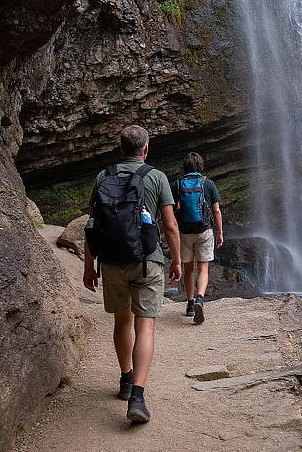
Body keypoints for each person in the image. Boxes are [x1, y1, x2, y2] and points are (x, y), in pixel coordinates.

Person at [83, 125, 181, 423]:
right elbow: (170, 226)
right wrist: (176, 261)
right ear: (146, 148)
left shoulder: (103, 176)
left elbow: (92, 225)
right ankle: (137, 396)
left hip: (112, 261)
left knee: (122, 320)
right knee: (146, 326)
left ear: (119, 147)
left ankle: (125, 379)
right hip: (148, 261)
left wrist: (89, 266)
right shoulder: (156, 177)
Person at [172, 152, 223, 324]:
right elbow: (216, 211)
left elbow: (171, 210)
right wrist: (220, 232)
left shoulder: (177, 184)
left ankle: (190, 303)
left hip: (185, 232)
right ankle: (200, 298)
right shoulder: (208, 184)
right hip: (204, 231)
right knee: (203, 268)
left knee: (188, 270)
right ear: (201, 166)